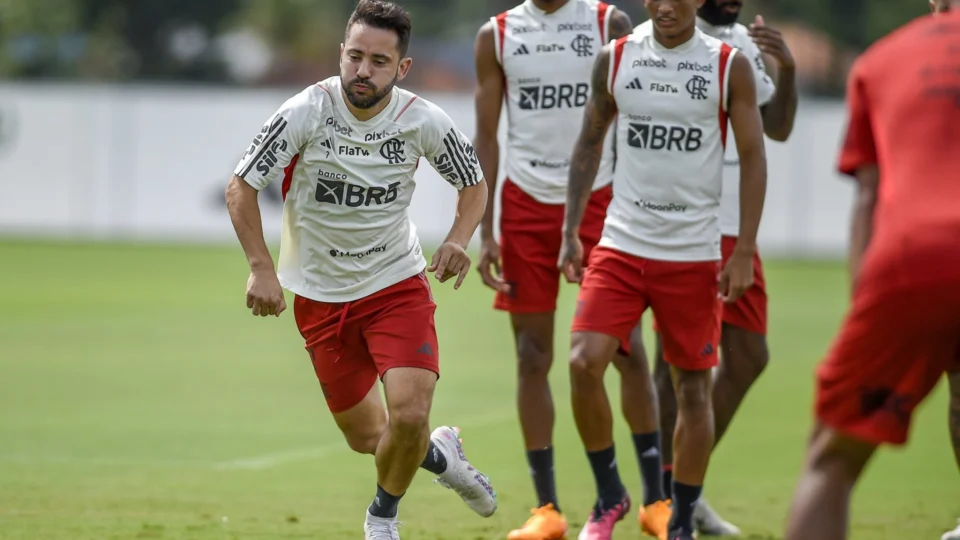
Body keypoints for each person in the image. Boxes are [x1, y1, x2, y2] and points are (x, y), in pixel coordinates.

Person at [223, 1, 498, 538]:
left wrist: (460, 239)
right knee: (373, 438)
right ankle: (441, 459)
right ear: (341, 55)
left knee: (410, 415)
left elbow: (474, 182)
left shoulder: (422, 120)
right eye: (354, 57)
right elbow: (242, 186)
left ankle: (382, 520)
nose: (362, 71)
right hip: (319, 297)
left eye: (377, 60)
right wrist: (260, 267)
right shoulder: (306, 110)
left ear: (402, 68)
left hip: (396, 284)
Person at [559, 0, 768, 537]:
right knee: (583, 363)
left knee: (693, 391)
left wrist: (743, 248)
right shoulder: (616, 57)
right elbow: (588, 141)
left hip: (693, 254)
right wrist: (570, 232)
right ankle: (610, 495)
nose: (664, 5)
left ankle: (679, 519)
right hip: (621, 244)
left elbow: (753, 156)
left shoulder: (727, 64)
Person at [472, 1, 669, 538]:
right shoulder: (498, 34)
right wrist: (485, 228)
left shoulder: (610, 24)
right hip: (525, 206)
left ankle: (655, 500)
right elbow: (486, 135)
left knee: (626, 350)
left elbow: (636, 123)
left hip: (604, 203)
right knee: (531, 356)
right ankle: (547, 510)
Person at [783, 1, 960, 539]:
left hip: (914, 258)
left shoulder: (880, 61)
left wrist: (867, 310)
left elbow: (868, 195)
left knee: (830, 458)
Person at [643, 0, 797, 534]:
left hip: (736, 226)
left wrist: (789, 70)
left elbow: (776, 130)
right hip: (683, 224)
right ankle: (666, 497)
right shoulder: (655, 41)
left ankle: (687, 480)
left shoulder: (744, 43)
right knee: (675, 367)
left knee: (749, 355)